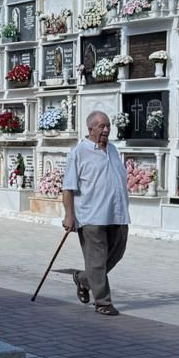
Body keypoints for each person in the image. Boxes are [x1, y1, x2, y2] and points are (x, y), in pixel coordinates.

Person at [61, 110, 131, 317]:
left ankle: (84, 279)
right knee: (97, 261)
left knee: (116, 254)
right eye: (102, 126)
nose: (106, 129)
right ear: (90, 128)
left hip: (117, 214)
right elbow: (68, 188)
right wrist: (69, 215)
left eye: (108, 126)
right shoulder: (79, 152)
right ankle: (103, 302)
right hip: (91, 215)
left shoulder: (113, 149)